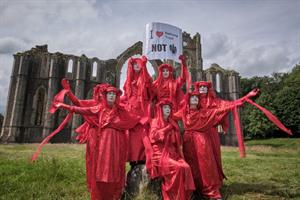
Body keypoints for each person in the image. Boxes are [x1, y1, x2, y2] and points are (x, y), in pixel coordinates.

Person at [53, 85, 141, 200]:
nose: (111, 96)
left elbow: (133, 119)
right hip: (103, 144)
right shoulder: (99, 108)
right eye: (109, 94)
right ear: (105, 96)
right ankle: (101, 195)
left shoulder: (121, 111)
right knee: (101, 169)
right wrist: (66, 106)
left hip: (116, 144)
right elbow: (83, 109)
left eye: (114, 94)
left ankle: (114, 195)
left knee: (114, 169)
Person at [173, 90, 256, 200]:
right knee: (192, 165)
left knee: (206, 166)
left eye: (196, 98)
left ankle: (211, 193)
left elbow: (222, 109)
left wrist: (244, 98)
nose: (195, 99)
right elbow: (170, 115)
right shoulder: (183, 112)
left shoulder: (204, 113)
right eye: (192, 97)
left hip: (201, 141)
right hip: (188, 142)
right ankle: (195, 190)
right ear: (188, 99)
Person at [60, 79, 110, 191]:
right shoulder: (93, 103)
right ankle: (93, 185)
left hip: (106, 136)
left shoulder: (110, 105)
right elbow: (77, 103)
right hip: (94, 134)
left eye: (105, 93)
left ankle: (104, 185)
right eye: (101, 92)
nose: (102, 95)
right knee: (93, 159)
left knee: (106, 160)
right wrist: (68, 91)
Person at [146, 99, 195, 200]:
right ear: (160, 109)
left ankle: (183, 196)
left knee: (186, 167)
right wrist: (168, 128)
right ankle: (172, 195)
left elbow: (177, 141)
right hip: (161, 154)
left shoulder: (173, 123)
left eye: (169, 107)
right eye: (165, 107)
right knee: (179, 168)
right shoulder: (155, 121)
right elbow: (153, 137)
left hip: (173, 153)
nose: (168, 109)